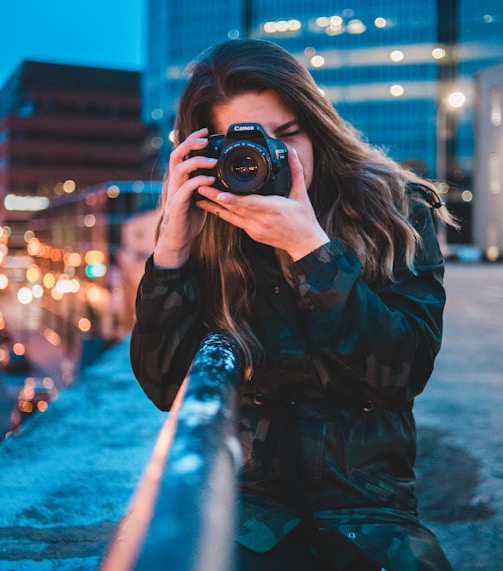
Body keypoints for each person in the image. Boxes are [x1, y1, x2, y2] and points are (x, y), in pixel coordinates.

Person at [130, 38, 455, 571]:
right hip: (247, 509)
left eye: (287, 134)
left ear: (316, 121)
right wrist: (173, 248)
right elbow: (167, 387)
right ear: (208, 151)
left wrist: (311, 250)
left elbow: (404, 368)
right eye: (247, 146)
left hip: (370, 509)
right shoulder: (207, 231)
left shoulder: (394, 209)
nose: (275, 157)